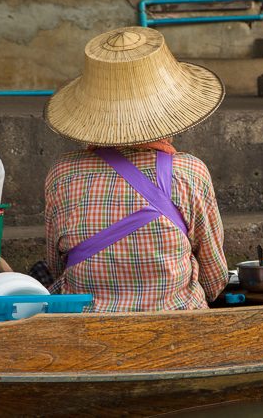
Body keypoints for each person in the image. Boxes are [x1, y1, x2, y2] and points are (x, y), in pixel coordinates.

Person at [43, 26, 228, 312]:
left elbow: (57, 267)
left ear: (91, 113)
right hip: (176, 326)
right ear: (170, 112)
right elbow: (215, 281)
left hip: (85, 326)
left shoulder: (63, 173)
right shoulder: (189, 172)